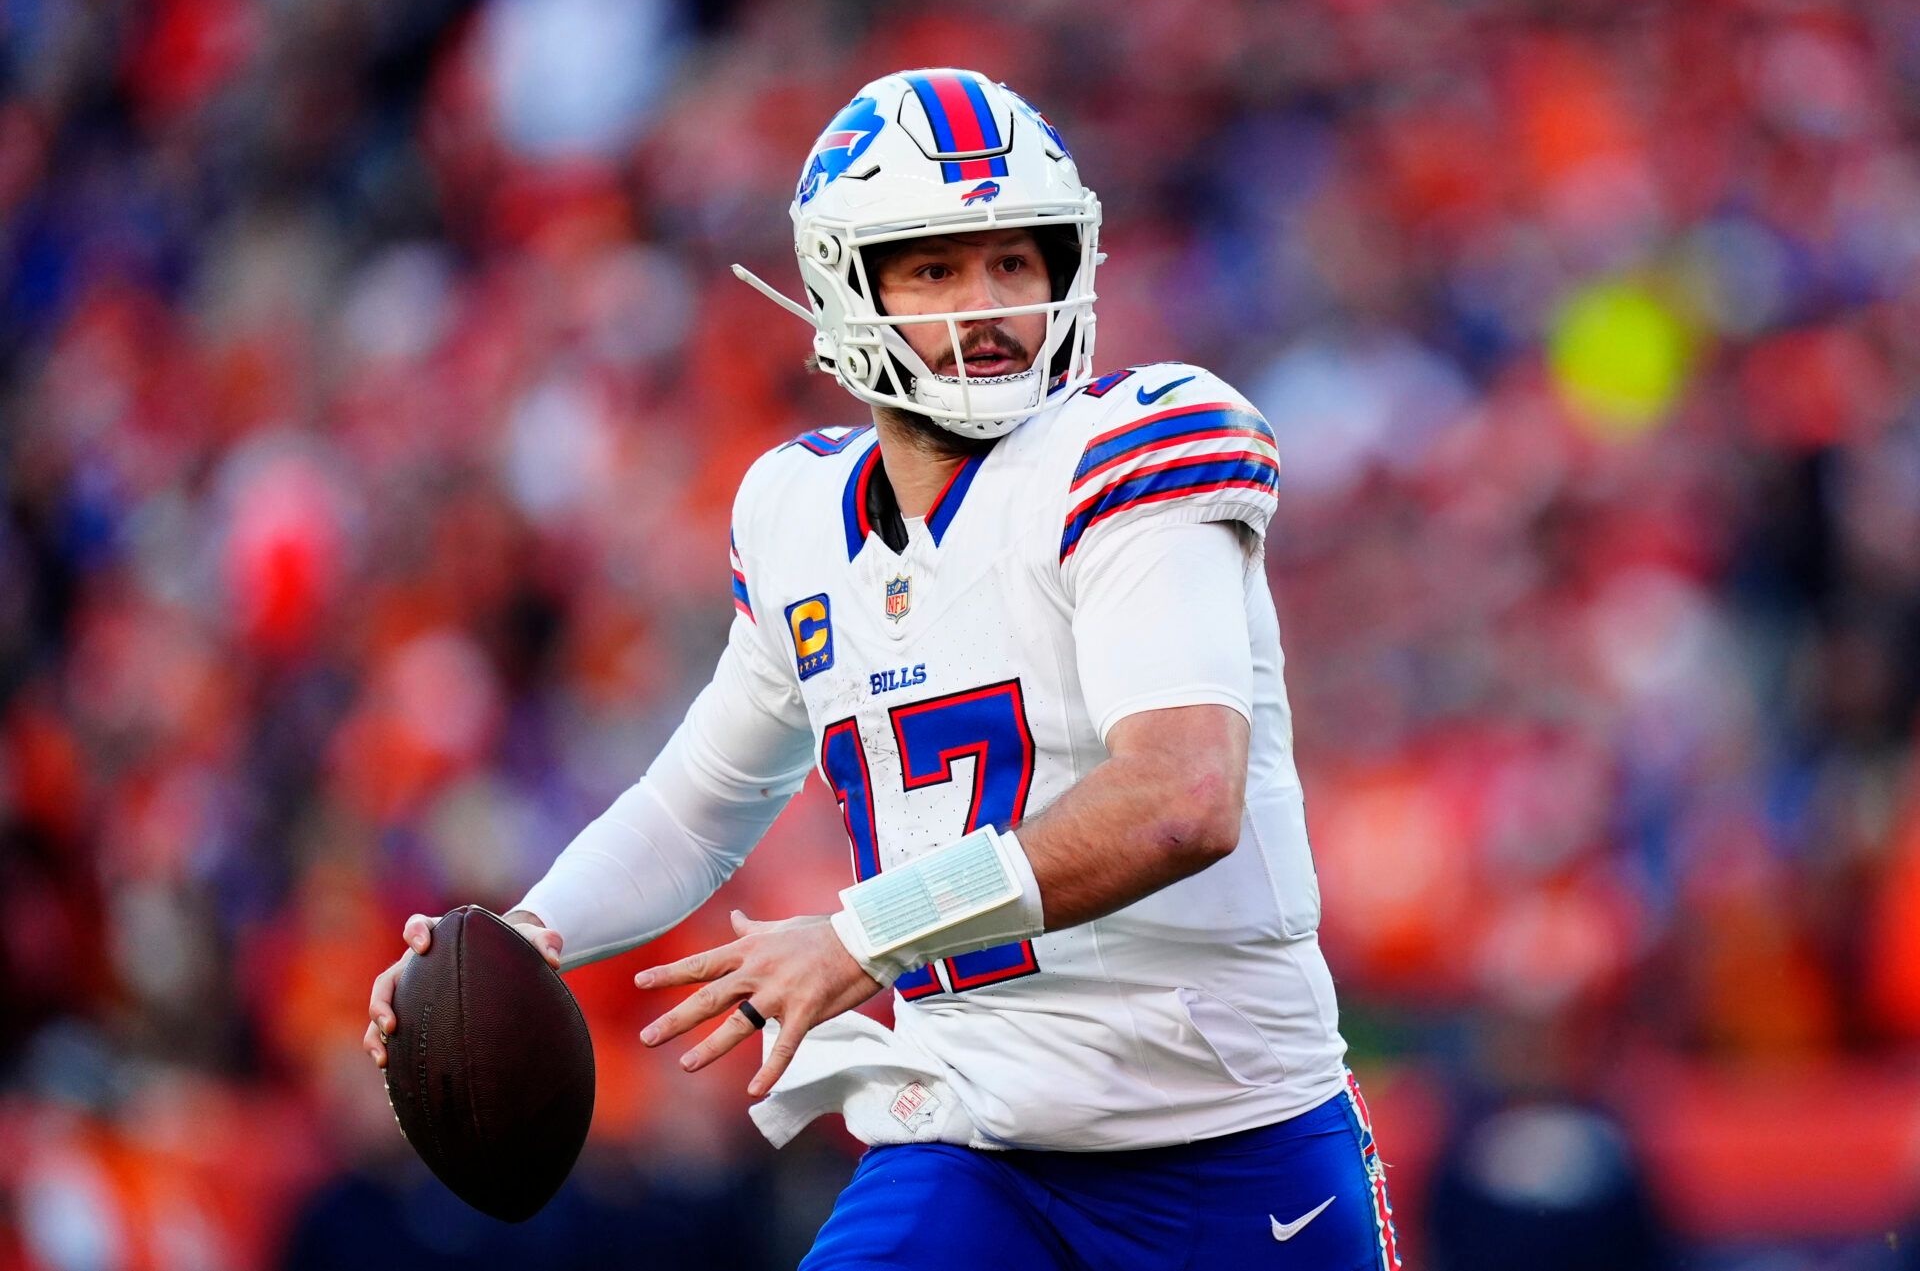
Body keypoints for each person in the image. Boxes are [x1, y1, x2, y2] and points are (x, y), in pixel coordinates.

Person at [367, 67, 1400, 1270]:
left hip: (1232, 1150)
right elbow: (699, 805)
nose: (992, 305)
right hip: (970, 1146)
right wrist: (527, 936)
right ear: (841, 288)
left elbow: (1180, 799)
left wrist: (869, 934)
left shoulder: (1137, 449)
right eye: (937, 268)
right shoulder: (797, 509)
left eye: (1018, 262)